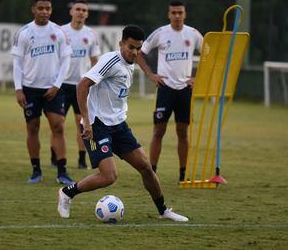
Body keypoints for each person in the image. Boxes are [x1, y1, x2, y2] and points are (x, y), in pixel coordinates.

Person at [57, 25, 189, 221]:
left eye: (138, 48)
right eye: (130, 47)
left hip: (118, 125)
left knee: (146, 167)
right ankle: (67, 193)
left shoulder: (130, 63)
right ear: (121, 44)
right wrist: (86, 121)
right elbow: (82, 85)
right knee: (109, 176)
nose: (135, 52)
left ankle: (163, 211)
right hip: (97, 126)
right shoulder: (110, 61)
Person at [136, 0, 203, 183]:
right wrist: (151, 75)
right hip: (165, 89)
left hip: (184, 90)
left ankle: (183, 175)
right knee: (158, 132)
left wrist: (198, 78)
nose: (177, 16)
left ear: (185, 14)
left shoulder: (193, 34)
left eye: (180, 13)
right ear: (169, 14)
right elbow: (140, 53)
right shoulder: (160, 33)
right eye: (174, 13)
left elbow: (209, 55)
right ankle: (152, 172)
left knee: (183, 133)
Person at [11, 0, 74, 185]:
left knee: (58, 126)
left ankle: (62, 171)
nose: (44, 11)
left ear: (51, 10)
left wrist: (57, 85)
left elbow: (66, 61)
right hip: (30, 89)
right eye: (41, 8)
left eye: (48, 8)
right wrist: (18, 89)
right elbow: (17, 63)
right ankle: (36, 169)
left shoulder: (59, 32)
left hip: (53, 89)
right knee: (32, 127)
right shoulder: (24, 32)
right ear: (33, 9)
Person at [50, 0, 101, 170]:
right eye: (77, 9)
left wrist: (94, 82)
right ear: (71, 11)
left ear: (87, 14)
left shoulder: (91, 34)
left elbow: (95, 60)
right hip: (61, 85)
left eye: (84, 10)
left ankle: (81, 160)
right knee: (58, 123)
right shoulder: (60, 32)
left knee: (82, 123)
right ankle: (55, 156)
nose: (80, 12)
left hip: (81, 86)